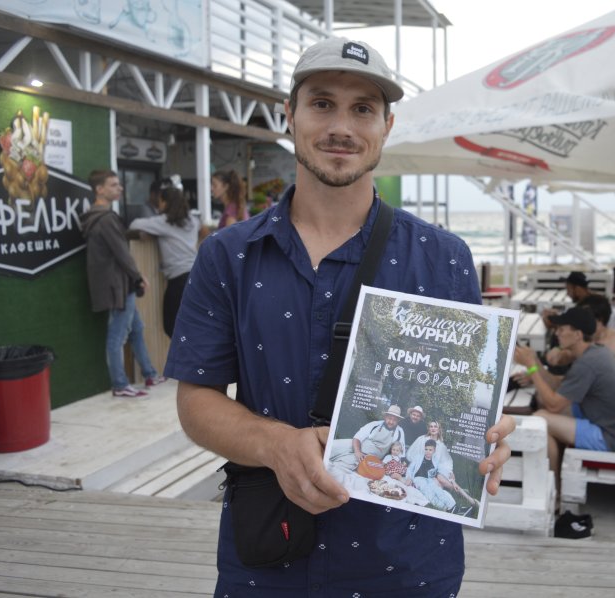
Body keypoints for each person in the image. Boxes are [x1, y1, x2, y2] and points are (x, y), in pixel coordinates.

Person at [164, 37, 514, 596]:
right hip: (268, 557)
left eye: (363, 109)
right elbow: (195, 400)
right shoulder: (228, 255)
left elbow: (465, 395)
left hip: (408, 564)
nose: (341, 127)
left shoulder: (445, 258)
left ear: (386, 126)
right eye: (322, 103)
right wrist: (274, 443)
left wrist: (484, 435)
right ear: (290, 115)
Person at [512, 307, 615, 497]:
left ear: (578, 335)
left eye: (562, 329)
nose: (557, 333)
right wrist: (535, 361)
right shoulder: (594, 353)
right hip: (606, 422)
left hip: (611, 438)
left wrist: (531, 368)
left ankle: (554, 493)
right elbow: (557, 387)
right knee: (542, 403)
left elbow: (554, 404)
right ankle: (551, 477)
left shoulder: (587, 363)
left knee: (540, 420)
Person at [80, 169, 167, 398]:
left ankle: (149, 374)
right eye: (113, 184)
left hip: (118, 283)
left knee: (136, 329)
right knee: (117, 337)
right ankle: (119, 385)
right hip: (117, 285)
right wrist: (138, 276)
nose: (119, 188)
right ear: (99, 189)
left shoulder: (96, 217)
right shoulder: (106, 219)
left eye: (118, 184)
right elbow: (121, 253)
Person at [128, 176, 208, 338]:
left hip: (179, 280)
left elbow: (134, 224)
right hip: (196, 276)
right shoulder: (192, 220)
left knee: (171, 327)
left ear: (165, 203)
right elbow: (203, 227)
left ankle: (189, 354)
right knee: (192, 324)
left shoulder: (164, 222)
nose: (158, 205)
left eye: (160, 202)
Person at [545, 293, 615, 371]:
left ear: (599, 320)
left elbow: (572, 355)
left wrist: (559, 352)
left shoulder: (604, 346)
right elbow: (567, 356)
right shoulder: (601, 336)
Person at [329, 405, 406, 471]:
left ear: (398, 420)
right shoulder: (375, 424)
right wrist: (357, 452)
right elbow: (357, 438)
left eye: (394, 420)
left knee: (342, 465)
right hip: (356, 445)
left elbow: (401, 453)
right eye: (389, 418)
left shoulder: (399, 432)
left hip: (367, 457)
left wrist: (398, 465)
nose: (391, 422)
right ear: (385, 417)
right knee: (332, 446)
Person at [404, 439, 458, 513]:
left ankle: (452, 506)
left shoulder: (435, 461)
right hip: (418, 479)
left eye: (430, 450)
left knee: (437, 490)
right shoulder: (418, 457)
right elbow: (410, 469)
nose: (427, 452)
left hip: (429, 480)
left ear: (434, 450)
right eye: (426, 449)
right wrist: (408, 477)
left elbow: (443, 470)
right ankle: (444, 507)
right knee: (428, 492)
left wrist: (452, 477)